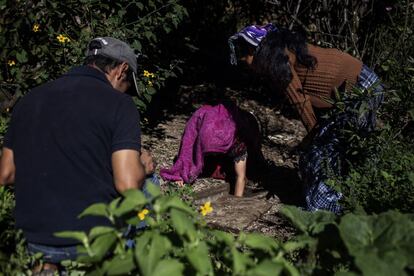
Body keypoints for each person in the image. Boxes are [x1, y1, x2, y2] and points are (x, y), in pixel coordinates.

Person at [0, 37, 155, 274]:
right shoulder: (120, 105)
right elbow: (127, 184)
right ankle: (133, 265)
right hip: (90, 238)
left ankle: (47, 263)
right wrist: (144, 166)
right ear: (121, 69)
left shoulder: (30, 100)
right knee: (149, 184)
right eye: (128, 86)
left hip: (33, 238)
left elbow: (6, 173)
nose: (127, 93)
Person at [228, 24, 384, 213]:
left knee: (319, 155)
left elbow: (300, 102)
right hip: (361, 85)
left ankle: (325, 213)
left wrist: (312, 139)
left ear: (255, 50)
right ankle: (354, 199)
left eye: (246, 59)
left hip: (361, 90)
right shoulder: (283, 50)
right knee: (340, 149)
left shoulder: (278, 61)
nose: (248, 66)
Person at [160, 102, 265, 197]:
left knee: (250, 165)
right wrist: (182, 174)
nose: (213, 154)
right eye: (211, 152)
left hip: (245, 125)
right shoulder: (201, 120)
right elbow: (187, 150)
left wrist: (236, 202)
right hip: (207, 120)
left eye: (215, 152)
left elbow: (240, 177)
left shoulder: (239, 144)